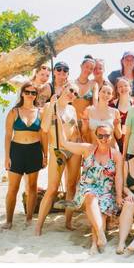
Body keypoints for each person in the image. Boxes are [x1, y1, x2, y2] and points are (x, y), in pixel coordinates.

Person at [56, 115, 123, 254]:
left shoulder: (116, 155)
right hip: (88, 187)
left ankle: (95, 243)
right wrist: (57, 120)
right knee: (91, 197)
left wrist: (118, 196)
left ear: (111, 136)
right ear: (96, 135)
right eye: (101, 136)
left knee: (101, 212)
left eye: (107, 136)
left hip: (106, 191)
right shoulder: (87, 149)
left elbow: (119, 178)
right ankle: (101, 234)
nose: (104, 139)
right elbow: (63, 143)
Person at [35, 83, 82, 235]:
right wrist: (52, 107)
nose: (72, 94)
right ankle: (38, 227)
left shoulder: (72, 109)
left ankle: (68, 222)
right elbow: (44, 128)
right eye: (71, 90)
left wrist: (79, 145)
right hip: (57, 150)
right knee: (52, 189)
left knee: (71, 186)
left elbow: (75, 130)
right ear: (63, 89)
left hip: (73, 150)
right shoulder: (50, 105)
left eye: (75, 93)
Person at [3, 82, 47, 229]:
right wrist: (7, 157)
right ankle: (9, 221)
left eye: (33, 93)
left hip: (34, 151)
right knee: (13, 188)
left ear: (36, 96)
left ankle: (29, 218)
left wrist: (45, 154)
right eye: (27, 92)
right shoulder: (14, 112)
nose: (30, 95)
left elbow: (43, 136)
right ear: (22, 93)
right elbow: (8, 136)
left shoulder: (40, 112)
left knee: (32, 187)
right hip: (16, 151)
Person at [82, 82, 121, 147]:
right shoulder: (88, 110)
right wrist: (85, 125)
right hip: (94, 148)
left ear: (112, 96)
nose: (106, 94)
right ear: (98, 93)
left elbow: (119, 136)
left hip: (111, 148)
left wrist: (116, 125)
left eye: (109, 93)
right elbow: (83, 132)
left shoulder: (115, 112)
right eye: (103, 92)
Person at [73, 55, 98, 137]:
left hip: (87, 122)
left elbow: (95, 104)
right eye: (86, 66)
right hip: (72, 122)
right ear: (81, 66)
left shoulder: (94, 84)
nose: (88, 70)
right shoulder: (71, 83)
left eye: (91, 68)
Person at [110, 77, 133, 153]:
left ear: (130, 87)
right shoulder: (111, 105)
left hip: (132, 143)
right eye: (120, 86)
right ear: (117, 89)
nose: (123, 88)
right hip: (115, 143)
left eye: (126, 85)